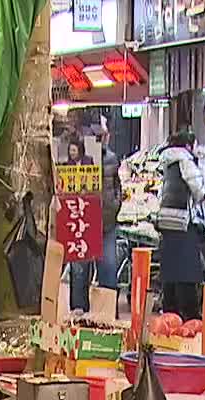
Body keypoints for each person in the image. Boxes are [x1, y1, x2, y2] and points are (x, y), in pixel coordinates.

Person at [68, 111, 124, 314]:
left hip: (107, 223)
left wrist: (116, 203)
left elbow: (117, 185)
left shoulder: (111, 159)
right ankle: (79, 313)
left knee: (108, 269)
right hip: (82, 221)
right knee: (79, 271)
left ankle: (107, 314)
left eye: (104, 135)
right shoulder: (74, 159)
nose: (102, 138)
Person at [156, 130, 205, 320]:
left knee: (171, 275)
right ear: (189, 145)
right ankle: (190, 318)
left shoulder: (168, 162)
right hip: (183, 223)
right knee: (187, 273)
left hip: (167, 221)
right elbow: (200, 192)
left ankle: (170, 316)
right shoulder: (185, 161)